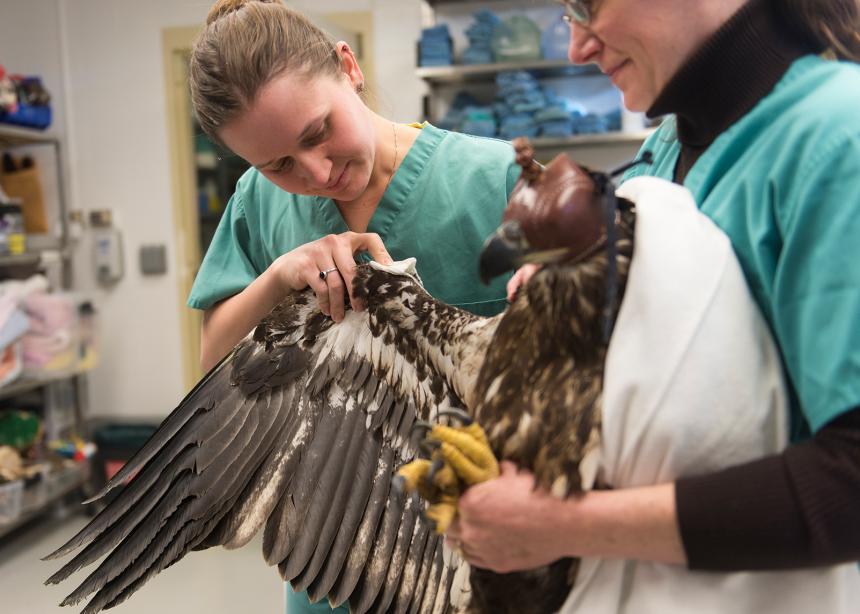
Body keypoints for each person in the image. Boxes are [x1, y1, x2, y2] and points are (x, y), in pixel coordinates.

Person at [449, 0, 860, 611]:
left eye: (588, 6)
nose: (577, 49)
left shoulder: (837, 138)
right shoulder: (668, 146)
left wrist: (565, 525)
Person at [185, 0, 520, 612]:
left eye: (317, 133)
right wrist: (280, 278)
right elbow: (214, 360)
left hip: (485, 543)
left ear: (349, 67)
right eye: (279, 163)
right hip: (335, 544)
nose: (317, 171)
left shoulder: (492, 178)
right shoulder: (258, 201)